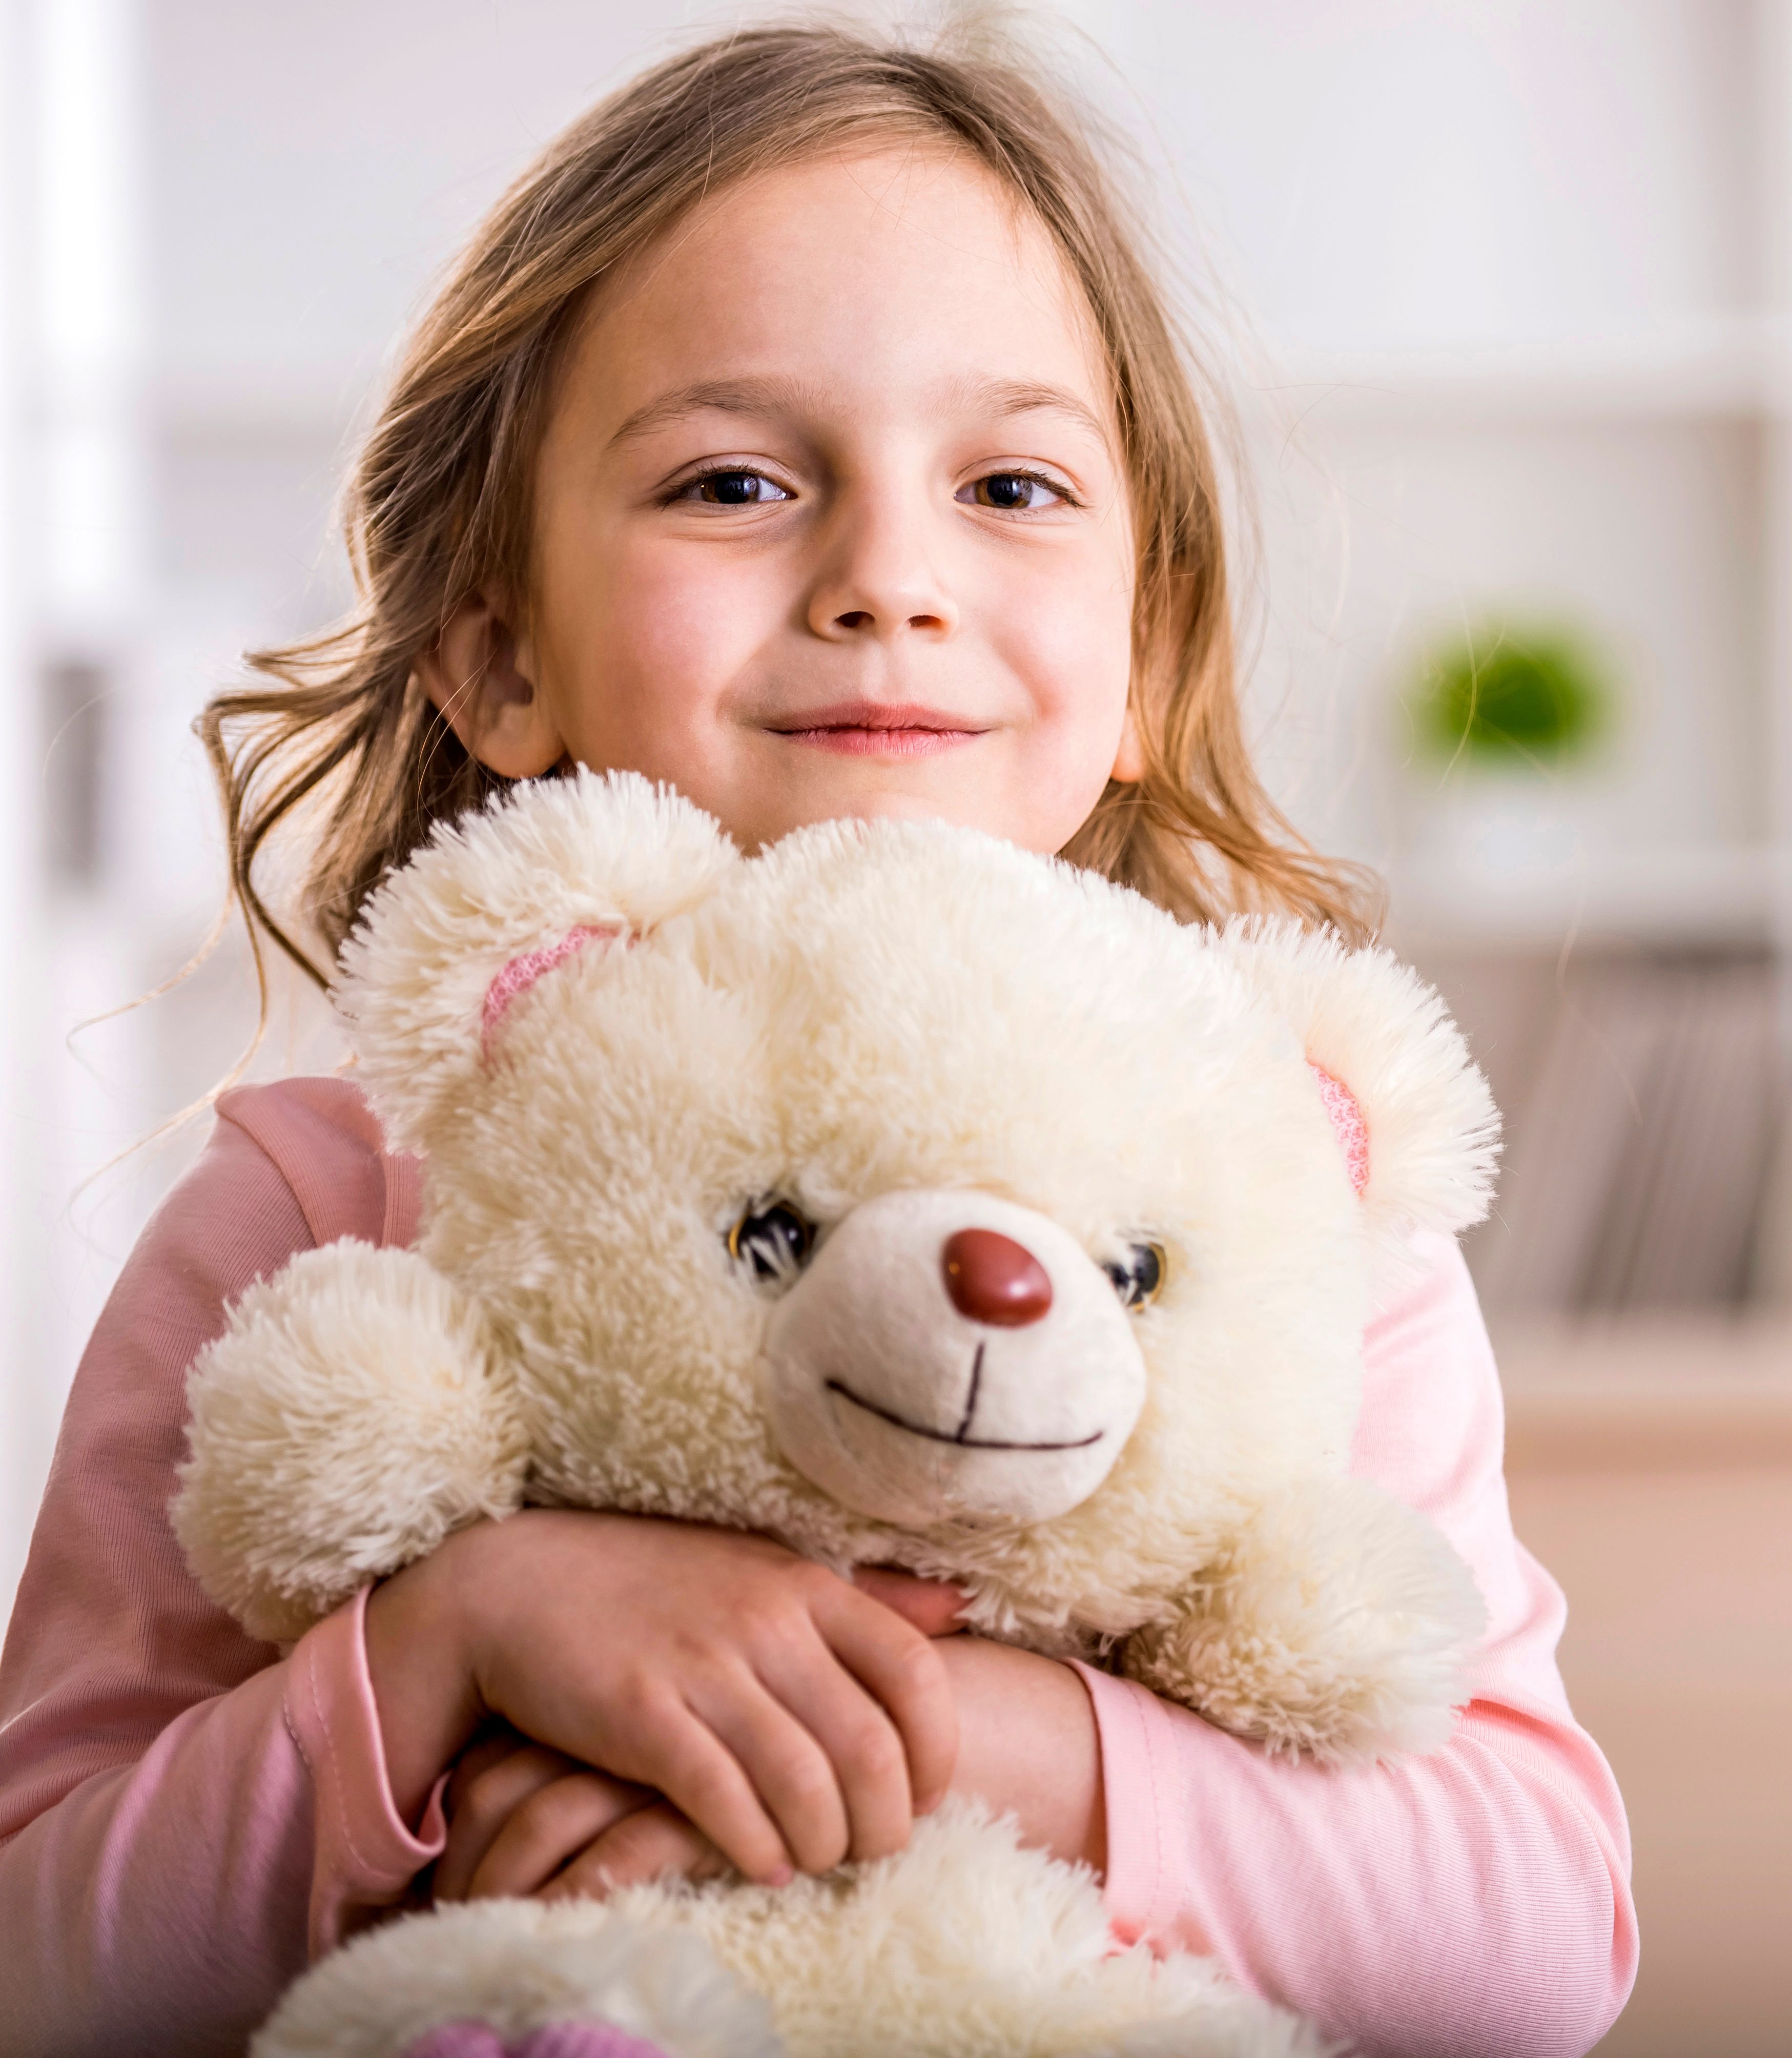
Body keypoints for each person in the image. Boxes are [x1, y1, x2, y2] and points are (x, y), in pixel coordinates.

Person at [0, 28, 1633, 2055]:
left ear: (1145, 653)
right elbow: (41, 1962)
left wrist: (942, 1728)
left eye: (1011, 483)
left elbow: (1536, 1941)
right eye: (736, 481)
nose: (888, 579)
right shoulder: (321, 1206)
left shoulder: (1277, 1202)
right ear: (502, 654)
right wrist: (458, 1645)